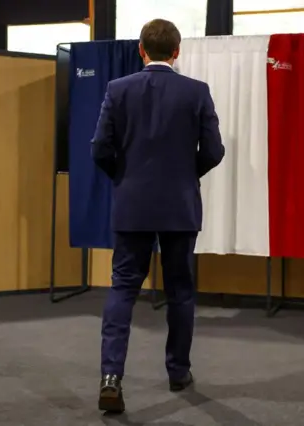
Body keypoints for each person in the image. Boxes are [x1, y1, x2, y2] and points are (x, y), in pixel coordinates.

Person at [91, 19, 225, 413]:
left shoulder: (118, 90)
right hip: (179, 206)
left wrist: (126, 179)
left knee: (122, 289)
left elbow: (100, 149)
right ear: (177, 51)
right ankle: (178, 371)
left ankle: (111, 378)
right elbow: (214, 151)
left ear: (141, 49)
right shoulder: (196, 92)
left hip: (133, 205)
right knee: (180, 290)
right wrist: (185, 177)